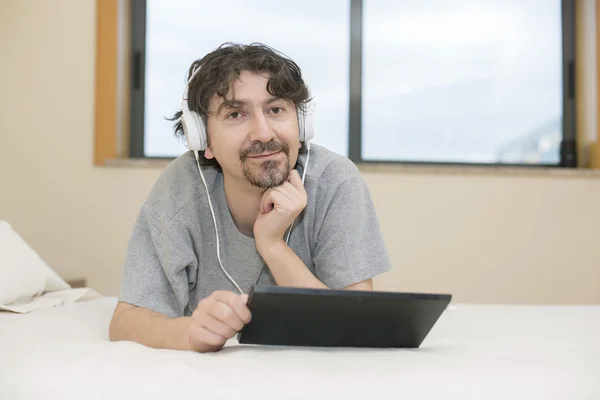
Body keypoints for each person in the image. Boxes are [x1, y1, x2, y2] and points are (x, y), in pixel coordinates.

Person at [109, 42, 391, 353]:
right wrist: (190, 332)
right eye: (235, 114)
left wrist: (272, 245)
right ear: (202, 137)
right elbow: (125, 322)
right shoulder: (182, 188)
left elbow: (356, 325)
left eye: (276, 110)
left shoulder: (335, 181)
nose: (263, 133)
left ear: (302, 125)